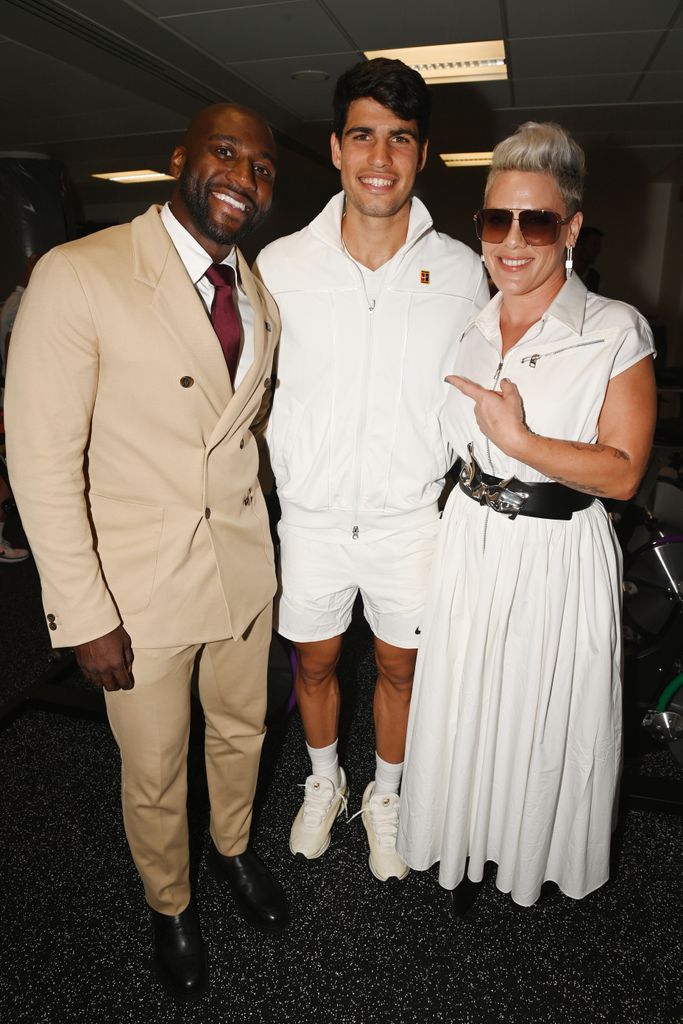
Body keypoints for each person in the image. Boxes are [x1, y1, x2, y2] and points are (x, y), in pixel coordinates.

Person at [5, 103, 289, 1001]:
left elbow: (247, 434)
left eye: (263, 168)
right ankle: (170, 904)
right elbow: (41, 461)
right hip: (138, 588)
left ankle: (234, 851)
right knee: (158, 768)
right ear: (181, 159)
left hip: (242, 569)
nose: (244, 177)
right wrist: (85, 613)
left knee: (243, 734)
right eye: (226, 153)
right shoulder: (80, 272)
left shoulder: (257, 292)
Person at [398, 122, 656, 911]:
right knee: (468, 702)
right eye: (494, 220)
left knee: (540, 712)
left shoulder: (614, 329)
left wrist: (521, 439)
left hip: (554, 552)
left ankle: (524, 856)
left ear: (570, 228)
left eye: (535, 221)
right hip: (472, 538)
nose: (512, 241)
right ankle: (462, 844)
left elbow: (622, 473)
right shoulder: (470, 325)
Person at [255, 58, 488, 882]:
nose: (379, 156)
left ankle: (385, 796)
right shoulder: (279, 267)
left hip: (408, 522)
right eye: (362, 136)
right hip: (311, 518)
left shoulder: (464, 273)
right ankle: (325, 781)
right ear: (335, 147)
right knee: (313, 662)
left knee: (400, 666)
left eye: (399, 138)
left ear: (422, 155)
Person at [574, 225, 603, 292]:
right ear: (579, 244)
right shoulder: (561, 273)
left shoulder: (594, 278)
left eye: (599, 246)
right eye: (594, 245)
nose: (597, 250)